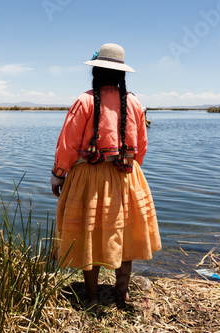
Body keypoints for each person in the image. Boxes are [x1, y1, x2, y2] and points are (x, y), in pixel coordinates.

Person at [50, 43, 161, 307]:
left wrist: (59, 174)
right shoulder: (134, 102)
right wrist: (130, 169)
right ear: (122, 73)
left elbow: (68, 143)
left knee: (91, 233)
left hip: (91, 178)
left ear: (96, 72)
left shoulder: (84, 101)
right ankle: (121, 294)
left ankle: (91, 298)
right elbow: (141, 147)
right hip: (127, 175)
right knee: (125, 231)